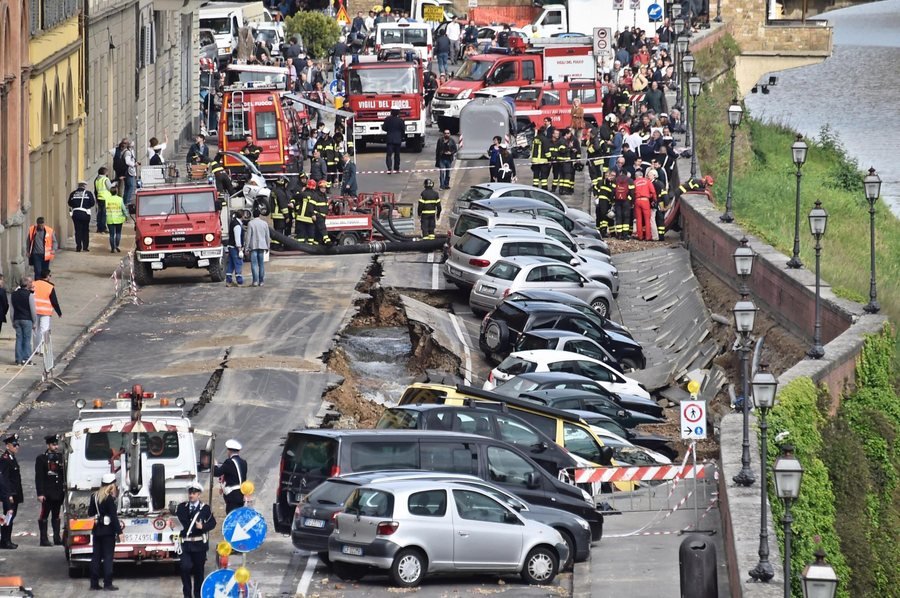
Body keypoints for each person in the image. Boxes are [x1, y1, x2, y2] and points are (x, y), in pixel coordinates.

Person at [176, 482, 216, 598]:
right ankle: (187, 595)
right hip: (185, 544)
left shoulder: (205, 509)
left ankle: (198, 594)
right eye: (190, 493)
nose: (191, 495)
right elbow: (178, 522)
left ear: (199, 494)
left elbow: (212, 523)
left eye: (194, 493)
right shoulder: (182, 507)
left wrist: (203, 526)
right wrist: (173, 525)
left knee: (199, 572)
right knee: (185, 568)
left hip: (199, 545)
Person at [88, 473, 122, 590]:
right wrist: (120, 532)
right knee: (108, 557)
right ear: (111, 485)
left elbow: (90, 512)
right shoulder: (109, 499)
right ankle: (108, 583)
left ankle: (94, 583)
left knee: (96, 557)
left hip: (97, 530)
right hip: (108, 532)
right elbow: (114, 517)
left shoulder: (94, 496)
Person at [35, 434, 65, 546]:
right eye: (53, 444)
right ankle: (43, 539)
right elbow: (39, 477)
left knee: (56, 515)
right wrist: (40, 493)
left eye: (56, 444)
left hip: (58, 492)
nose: (56, 447)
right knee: (44, 515)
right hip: (47, 492)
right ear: (48, 445)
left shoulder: (61, 457)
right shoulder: (42, 458)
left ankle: (57, 537)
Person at [0, 434, 22, 549]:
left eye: (17, 444)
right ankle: (5, 541)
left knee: (10, 516)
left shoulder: (12, 457)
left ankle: (6, 540)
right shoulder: (5, 459)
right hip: (9, 494)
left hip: (14, 493)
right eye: (14, 445)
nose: (17, 446)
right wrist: (8, 495)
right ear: (8, 446)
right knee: (8, 516)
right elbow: (4, 479)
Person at [213, 439, 248, 513]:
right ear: (238, 451)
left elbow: (217, 473)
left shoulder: (229, 462)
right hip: (241, 495)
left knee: (231, 516)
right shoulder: (244, 462)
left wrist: (215, 464)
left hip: (232, 496)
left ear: (229, 451)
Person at [33, 270, 62, 355]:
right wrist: (59, 312)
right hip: (45, 312)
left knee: (36, 331)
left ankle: (36, 349)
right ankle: (44, 350)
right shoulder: (50, 287)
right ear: (47, 276)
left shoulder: (34, 284)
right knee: (44, 331)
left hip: (34, 310)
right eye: (50, 275)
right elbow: (54, 301)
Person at [11, 277, 35, 366]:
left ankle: (18, 359)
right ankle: (27, 359)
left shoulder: (13, 294)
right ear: (27, 284)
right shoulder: (29, 295)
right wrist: (34, 321)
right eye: (30, 282)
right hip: (27, 319)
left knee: (19, 339)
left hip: (17, 319)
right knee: (27, 339)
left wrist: (13, 320)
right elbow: (33, 310)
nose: (31, 284)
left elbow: (12, 309)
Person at [244, 209, 270, 287]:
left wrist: (246, 247)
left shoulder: (251, 223)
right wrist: (268, 246)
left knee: (254, 264)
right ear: (259, 215)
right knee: (261, 264)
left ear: (253, 215)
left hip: (253, 246)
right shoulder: (264, 223)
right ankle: (261, 281)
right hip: (262, 246)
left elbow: (248, 236)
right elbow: (267, 236)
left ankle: (255, 281)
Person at [68, 181, 96, 252]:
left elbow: (69, 203)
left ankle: (78, 247)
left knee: (78, 230)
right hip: (85, 213)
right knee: (85, 230)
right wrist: (87, 206)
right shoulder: (88, 193)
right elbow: (92, 203)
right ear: (84, 186)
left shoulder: (73, 193)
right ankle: (85, 247)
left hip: (76, 213)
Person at [632, 169, 657, 240]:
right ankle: (648, 236)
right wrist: (654, 199)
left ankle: (640, 236)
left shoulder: (634, 182)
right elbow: (653, 191)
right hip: (645, 201)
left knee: (638, 219)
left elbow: (632, 193)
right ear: (642, 175)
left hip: (637, 201)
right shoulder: (647, 181)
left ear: (636, 176)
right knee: (647, 219)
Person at [594, 169, 617, 237]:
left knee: (609, 217)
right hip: (603, 202)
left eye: (612, 176)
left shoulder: (613, 183)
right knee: (603, 216)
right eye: (608, 175)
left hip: (607, 202)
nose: (610, 177)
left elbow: (613, 193)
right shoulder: (603, 182)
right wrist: (596, 195)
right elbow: (595, 188)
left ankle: (611, 232)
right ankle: (602, 232)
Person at [613, 170, 635, 239]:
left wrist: (613, 200)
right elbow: (632, 193)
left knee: (618, 217)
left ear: (620, 173)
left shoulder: (616, 180)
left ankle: (619, 234)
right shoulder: (630, 180)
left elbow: (613, 191)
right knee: (626, 217)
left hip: (617, 201)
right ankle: (625, 235)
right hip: (626, 201)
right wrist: (632, 202)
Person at [225, 211, 245, 287]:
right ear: (242, 216)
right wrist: (240, 249)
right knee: (238, 263)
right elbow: (237, 238)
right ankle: (239, 281)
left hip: (231, 246)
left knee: (231, 264)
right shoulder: (237, 225)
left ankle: (228, 281)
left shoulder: (233, 222)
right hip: (235, 248)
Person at [382, 109, 404, 174]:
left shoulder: (387, 119)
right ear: (398, 113)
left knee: (389, 155)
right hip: (398, 139)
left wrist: (389, 130)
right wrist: (401, 137)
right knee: (397, 155)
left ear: (391, 112)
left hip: (389, 139)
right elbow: (403, 129)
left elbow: (383, 128)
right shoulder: (401, 120)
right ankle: (396, 169)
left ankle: (389, 168)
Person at [94, 167, 116, 234]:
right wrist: (114, 185)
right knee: (104, 214)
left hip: (99, 198)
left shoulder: (97, 179)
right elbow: (110, 188)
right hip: (105, 198)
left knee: (99, 214)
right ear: (104, 172)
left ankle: (99, 228)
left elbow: (96, 190)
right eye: (107, 172)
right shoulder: (105, 179)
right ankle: (103, 228)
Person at [311, 179, 332, 245]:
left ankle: (317, 244)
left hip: (323, 216)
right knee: (322, 228)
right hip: (318, 215)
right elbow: (311, 206)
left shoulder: (324, 195)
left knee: (318, 232)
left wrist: (328, 207)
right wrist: (313, 214)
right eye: (322, 188)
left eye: (324, 188)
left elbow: (324, 205)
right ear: (319, 188)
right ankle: (327, 241)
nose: (323, 189)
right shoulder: (315, 195)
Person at [122, 139, 138, 208]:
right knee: (130, 186)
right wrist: (134, 164)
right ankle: (127, 202)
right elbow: (127, 162)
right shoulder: (127, 152)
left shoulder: (130, 151)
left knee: (128, 187)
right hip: (129, 171)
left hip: (130, 171)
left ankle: (125, 201)